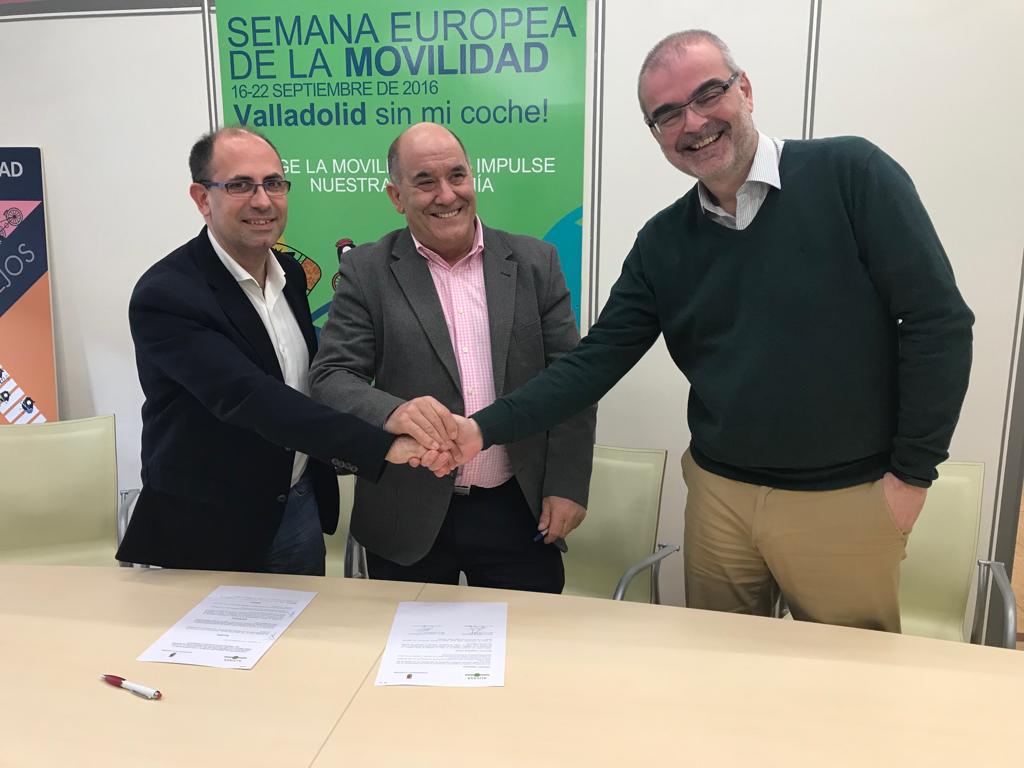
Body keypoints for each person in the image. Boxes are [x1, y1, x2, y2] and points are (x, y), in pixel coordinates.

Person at [454, 30, 974, 631]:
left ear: (744, 89)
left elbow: (938, 323)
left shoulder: (851, 174)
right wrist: (480, 430)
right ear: (656, 133)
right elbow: (593, 362)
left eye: (708, 94)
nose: (693, 123)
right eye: (668, 114)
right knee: (719, 670)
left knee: (848, 678)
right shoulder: (662, 242)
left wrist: (912, 475)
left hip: (845, 498)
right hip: (719, 497)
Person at [116, 126, 445, 575]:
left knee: (309, 622)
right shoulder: (168, 294)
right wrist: (384, 444)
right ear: (202, 198)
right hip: (209, 525)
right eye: (240, 185)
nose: (263, 201)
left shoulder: (289, 275)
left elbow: (308, 382)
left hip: (296, 508)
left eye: (273, 183)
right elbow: (253, 398)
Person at [310, 122, 595, 593]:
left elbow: (572, 382)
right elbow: (332, 376)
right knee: (405, 641)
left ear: (472, 178)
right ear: (396, 197)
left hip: (518, 507)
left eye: (457, 176)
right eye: (425, 182)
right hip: (405, 512)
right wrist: (394, 412)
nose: (447, 195)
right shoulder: (366, 270)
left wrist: (566, 484)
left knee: (526, 638)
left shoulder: (535, 262)